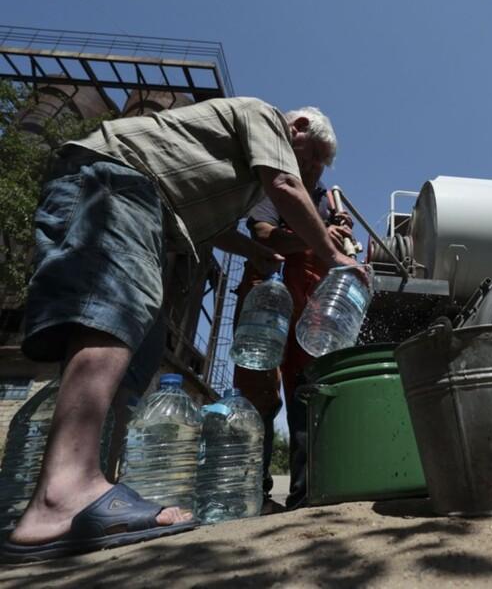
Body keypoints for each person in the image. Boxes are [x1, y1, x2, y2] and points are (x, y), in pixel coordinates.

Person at [1, 97, 359, 562]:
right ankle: (60, 496)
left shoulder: (231, 181)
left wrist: (254, 254)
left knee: (133, 345)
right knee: (109, 314)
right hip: (115, 182)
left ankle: (91, 488)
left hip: (151, 214)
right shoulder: (263, 118)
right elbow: (286, 184)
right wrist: (336, 259)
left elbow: (213, 232)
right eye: (311, 158)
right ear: (300, 129)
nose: (311, 173)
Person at [246, 169, 355, 510]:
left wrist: (339, 239)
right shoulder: (274, 186)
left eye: (324, 159)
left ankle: (306, 494)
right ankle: (252, 494)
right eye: (313, 155)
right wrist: (319, 235)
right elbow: (264, 235)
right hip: (269, 294)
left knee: (308, 394)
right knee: (259, 388)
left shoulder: (326, 199)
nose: (317, 165)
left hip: (313, 300)